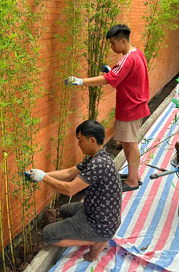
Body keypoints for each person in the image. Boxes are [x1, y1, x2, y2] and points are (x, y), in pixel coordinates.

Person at [64, 24, 150, 192]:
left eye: (113, 44)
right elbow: (126, 77)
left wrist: (81, 81)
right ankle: (134, 175)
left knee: (130, 144)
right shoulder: (137, 53)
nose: (112, 48)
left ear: (123, 41)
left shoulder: (128, 58)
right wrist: (113, 71)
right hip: (134, 104)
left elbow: (108, 79)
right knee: (127, 143)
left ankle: (132, 180)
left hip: (131, 107)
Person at [25, 120, 122, 262]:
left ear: (92, 140)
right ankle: (85, 232)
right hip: (97, 211)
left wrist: (43, 177)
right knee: (65, 210)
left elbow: (70, 190)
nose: (78, 144)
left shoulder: (98, 164)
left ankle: (97, 241)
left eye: (80, 140)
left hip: (101, 224)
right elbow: (68, 173)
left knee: (48, 234)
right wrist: (39, 175)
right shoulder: (98, 157)